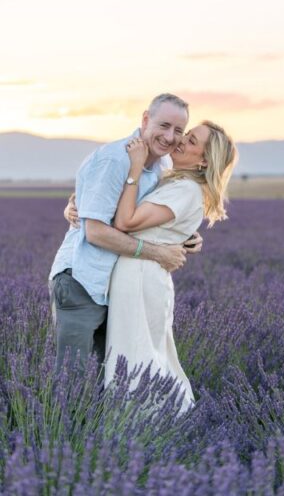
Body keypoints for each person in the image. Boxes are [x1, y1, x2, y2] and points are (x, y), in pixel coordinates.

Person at [49, 94, 201, 371]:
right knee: (72, 382)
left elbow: (154, 217)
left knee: (110, 384)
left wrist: (186, 236)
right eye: (164, 125)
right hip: (83, 281)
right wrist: (158, 253)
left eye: (178, 131)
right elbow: (95, 232)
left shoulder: (163, 167)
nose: (170, 137)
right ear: (145, 119)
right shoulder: (114, 159)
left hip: (119, 289)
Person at [104, 120, 238, 414]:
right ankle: (155, 427)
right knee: (143, 353)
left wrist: (134, 169)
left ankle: (148, 429)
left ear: (204, 160)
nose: (180, 141)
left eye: (191, 142)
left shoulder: (186, 189)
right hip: (141, 272)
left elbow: (126, 222)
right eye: (186, 136)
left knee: (136, 354)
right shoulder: (175, 182)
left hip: (141, 276)